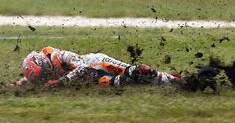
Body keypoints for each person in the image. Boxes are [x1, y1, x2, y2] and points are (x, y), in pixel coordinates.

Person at [15, 46, 187, 88]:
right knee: (123, 84)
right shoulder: (42, 73)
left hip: (99, 64)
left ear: (45, 64)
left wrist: (60, 81)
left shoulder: (61, 56)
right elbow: (28, 80)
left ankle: (179, 80)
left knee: (137, 73)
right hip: (95, 80)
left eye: (42, 75)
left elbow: (82, 67)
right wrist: (18, 84)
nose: (43, 78)